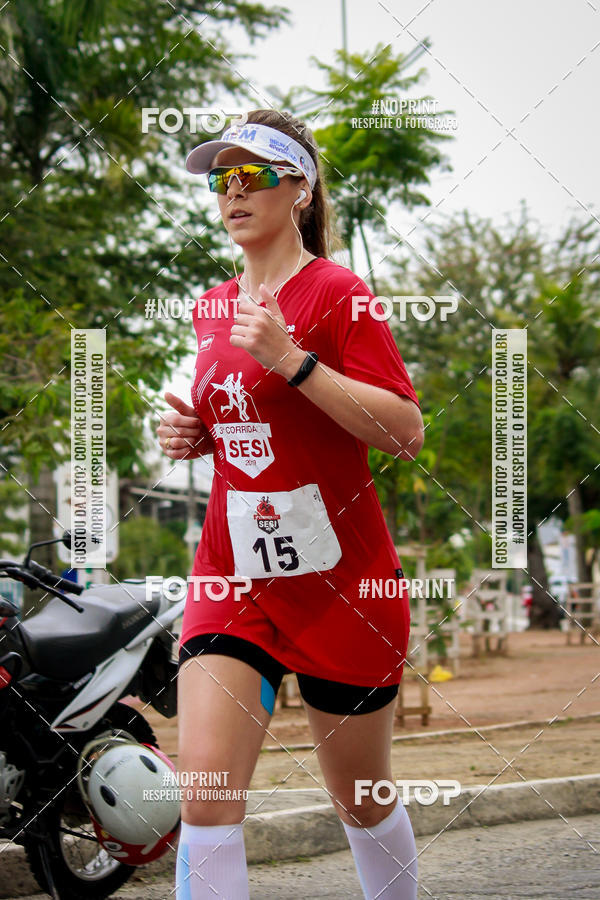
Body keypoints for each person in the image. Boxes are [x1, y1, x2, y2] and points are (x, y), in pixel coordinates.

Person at [156, 108, 424, 899]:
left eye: (252, 175)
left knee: (362, 802)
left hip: (345, 587)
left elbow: (404, 430)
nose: (231, 192)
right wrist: (197, 433)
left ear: (299, 188)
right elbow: (253, 419)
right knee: (206, 796)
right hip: (231, 577)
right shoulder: (211, 305)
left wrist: (293, 360)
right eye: (220, 178)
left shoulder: (340, 294)